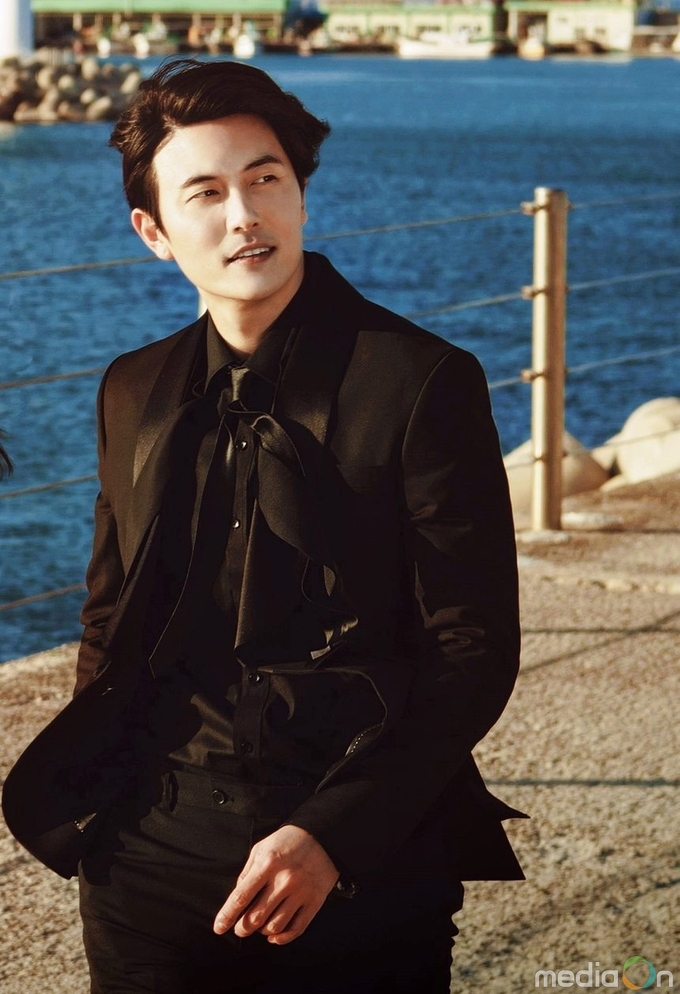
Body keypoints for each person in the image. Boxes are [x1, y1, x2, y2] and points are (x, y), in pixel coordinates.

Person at [2, 59, 526, 994]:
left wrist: (335, 835)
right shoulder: (131, 387)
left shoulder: (424, 381)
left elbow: (472, 649)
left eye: (265, 179)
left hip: (360, 866)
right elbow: (109, 617)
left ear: (301, 197)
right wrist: (105, 811)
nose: (244, 214)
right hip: (146, 856)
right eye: (205, 193)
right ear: (154, 233)